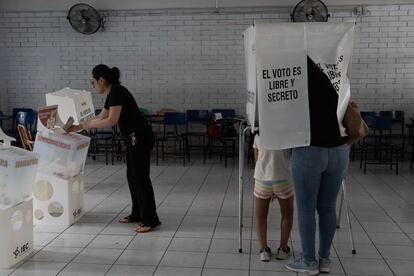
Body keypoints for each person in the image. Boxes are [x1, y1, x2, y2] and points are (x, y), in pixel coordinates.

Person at [67, 64, 161, 233]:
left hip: (140, 138)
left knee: (140, 178)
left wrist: (86, 124)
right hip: (133, 139)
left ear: (101, 80)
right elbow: (101, 117)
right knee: (132, 177)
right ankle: (138, 213)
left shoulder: (117, 91)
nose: (93, 86)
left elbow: (111, 120)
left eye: (93, 82)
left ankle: (150, 219)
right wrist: (78, 126)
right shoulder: (112, 93)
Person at [285, 57, 350, 275]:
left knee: (306, 208)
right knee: (328, 206)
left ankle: (308, 261)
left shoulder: (296, 73)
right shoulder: (336, 70)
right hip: (339, 150)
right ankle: (325, 259)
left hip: (309, 149)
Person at [253, 131, 294, 262]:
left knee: (261, 216)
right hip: (283, 177)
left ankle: (264, 250)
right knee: (287, 215)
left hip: (262, 178)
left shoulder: (258, 134)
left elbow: (257, 155)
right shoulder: (288, 133)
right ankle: (283, 249)